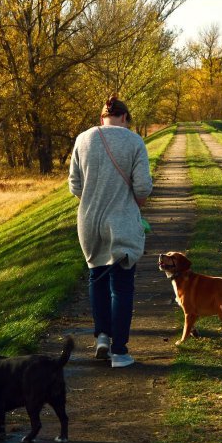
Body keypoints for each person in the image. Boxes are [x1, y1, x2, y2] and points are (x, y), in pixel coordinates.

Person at [68, 95, 152, 368]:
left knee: (97, 279)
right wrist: (132, 204)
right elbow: (142, 188)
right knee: (122, 287)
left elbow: (75, 186)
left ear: (101, 118)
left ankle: (102, 337)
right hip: (122, 222)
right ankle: (119, 352)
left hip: (89, 222)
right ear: (125, 118)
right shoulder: (134, 141)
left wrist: (95, 200)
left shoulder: (83, 139)